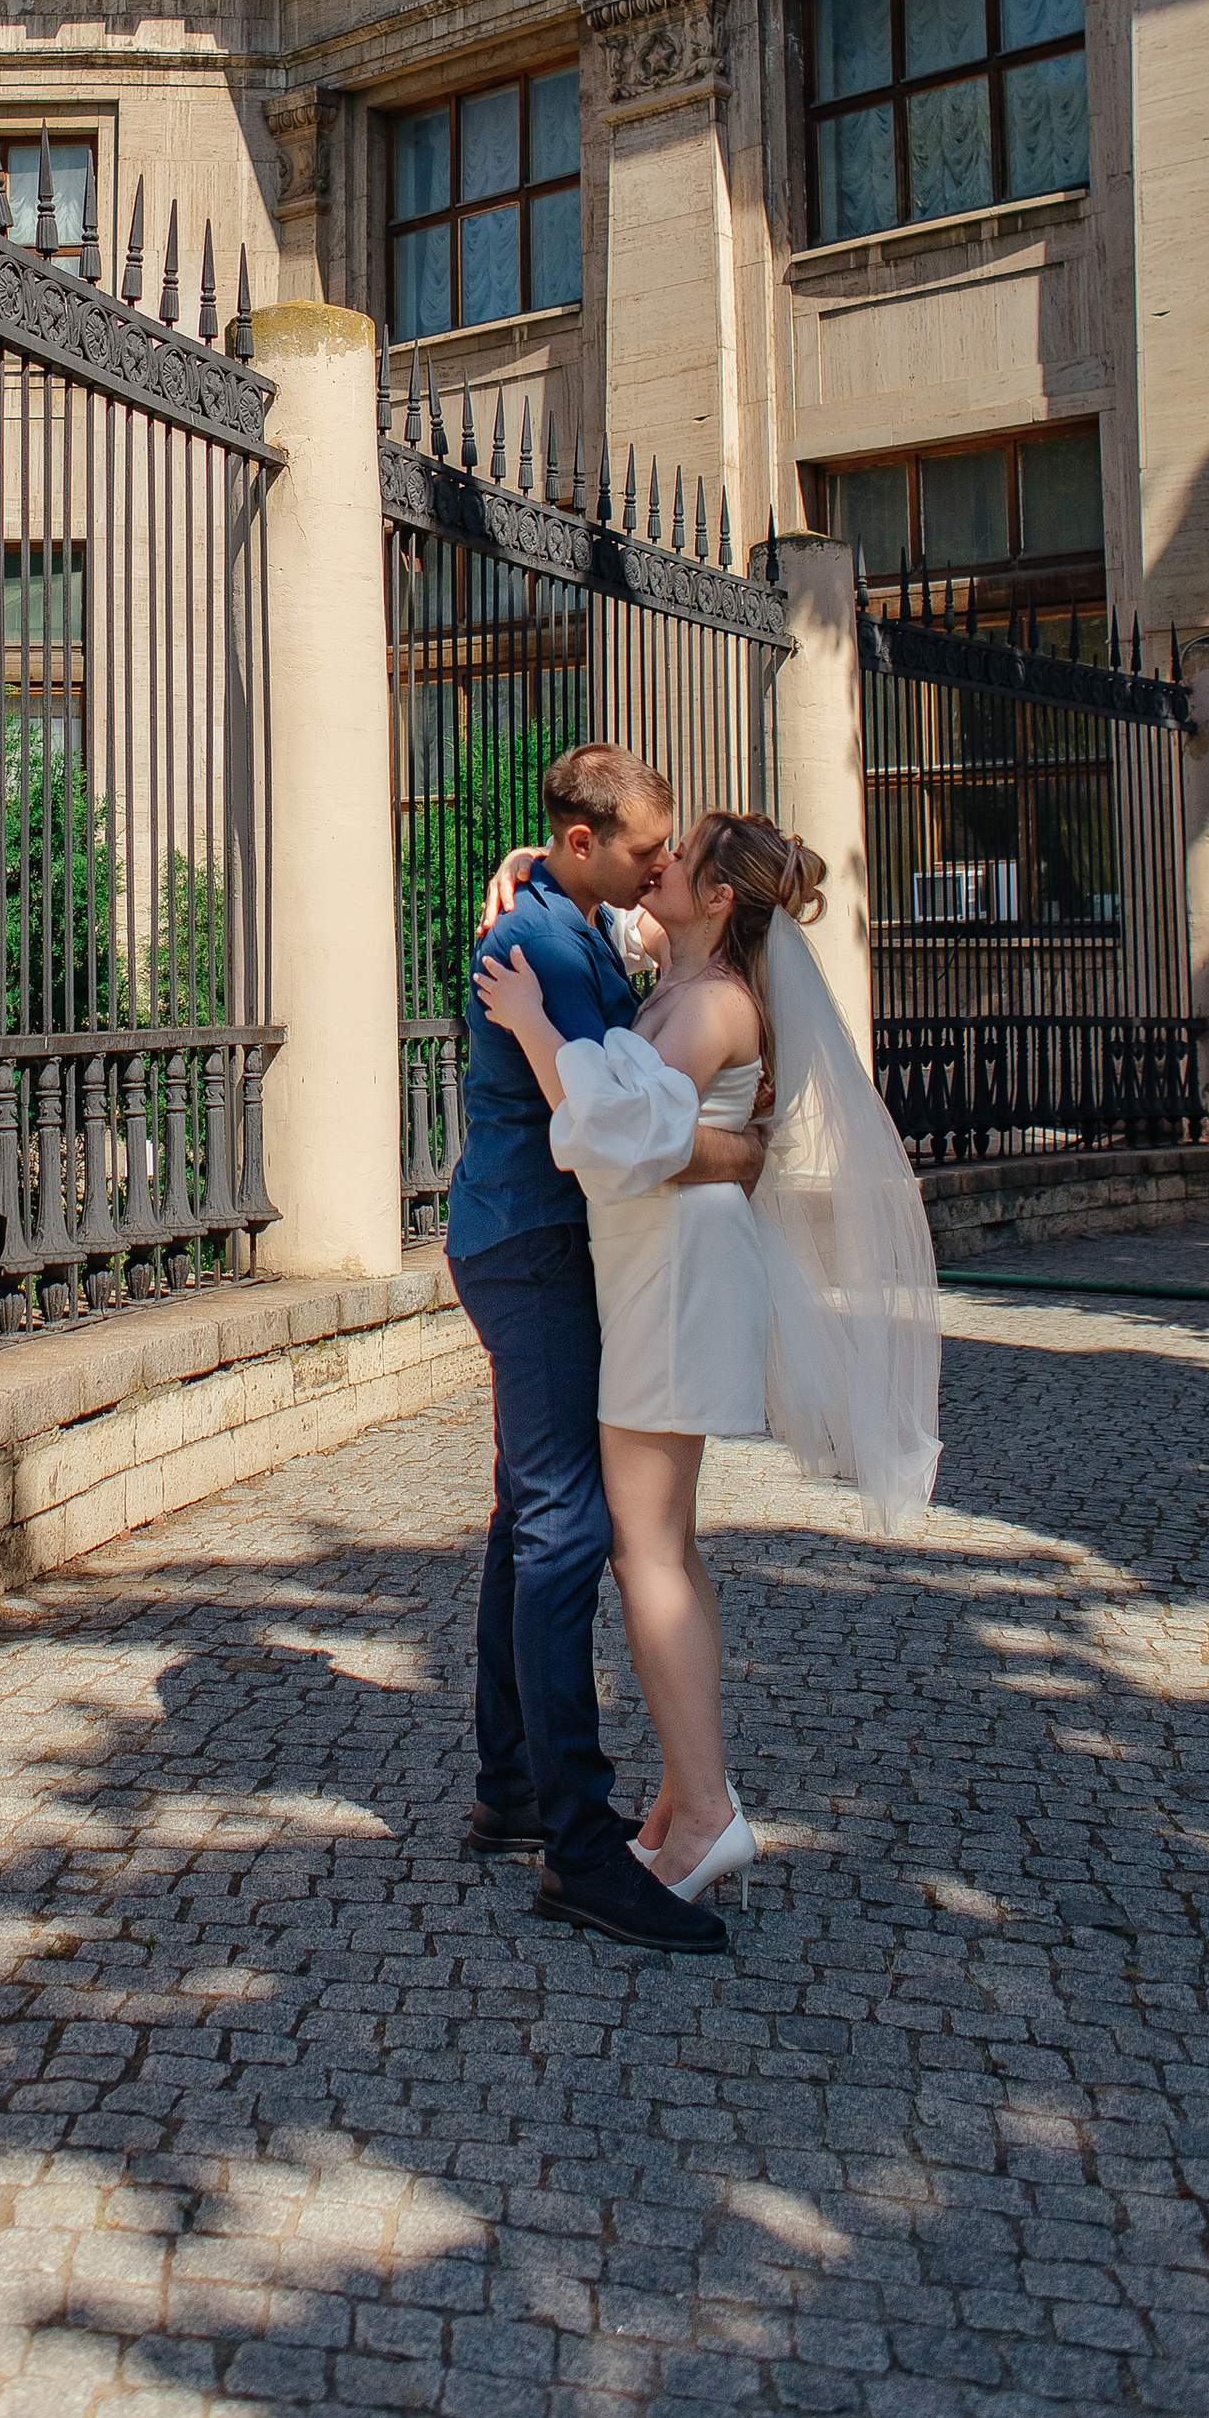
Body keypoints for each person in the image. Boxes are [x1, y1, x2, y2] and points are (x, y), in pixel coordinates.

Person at [479, 807, 944, 1913]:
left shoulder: (708, 1004)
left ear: (720, 898)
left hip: (673, 1276)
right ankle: (689, 1797)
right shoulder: (685, 976)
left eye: (677, 860)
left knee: (645, 1553)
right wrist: (527, 861)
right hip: (666, 1267)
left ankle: (701, 1811)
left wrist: (535, 1025)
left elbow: (614, 1141)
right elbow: (626, 943)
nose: (658, 864)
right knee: (667, 1549)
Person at [441, 743, 769, 1959]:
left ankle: (519, 1786)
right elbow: (607, 1113)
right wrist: (736, 1155)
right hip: (530, 1242)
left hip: (538, 1241)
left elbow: (638, 1027)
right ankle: (578, 1843)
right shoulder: (545, 941)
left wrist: (532, 869)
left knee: (534, 1512)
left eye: (669, 855)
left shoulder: (574, 919)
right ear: (588, 845)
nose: (657, 867)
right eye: (642, 849)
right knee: (568, 1525)